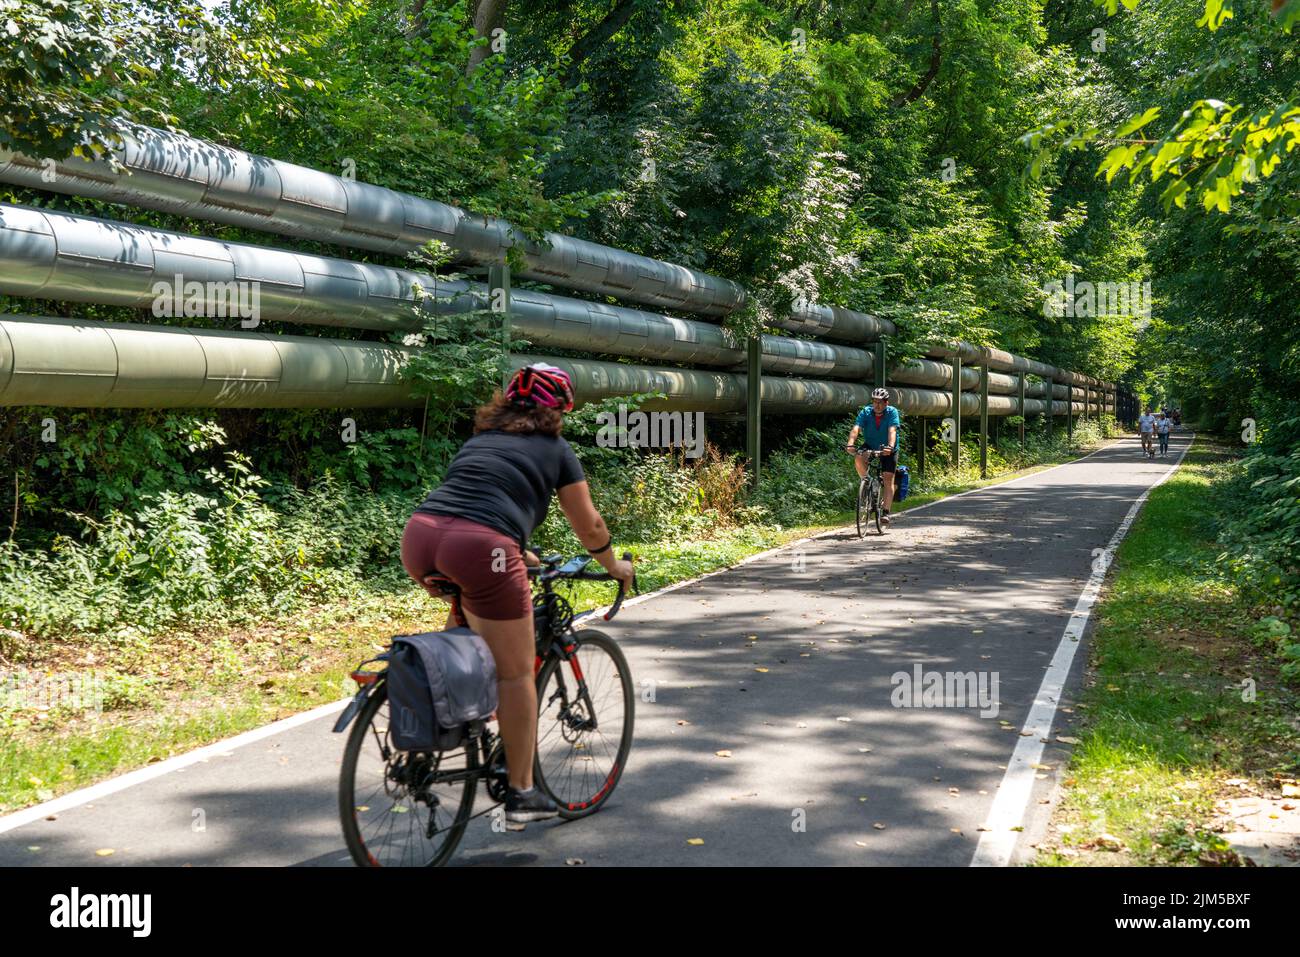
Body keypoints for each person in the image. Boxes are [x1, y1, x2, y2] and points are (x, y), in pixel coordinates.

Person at [401, 363, 635, 824]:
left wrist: (517, 554)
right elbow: (588, 525)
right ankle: (523, 793)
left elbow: (474, 504)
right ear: (560, 410)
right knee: (514, 674)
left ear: (507, 401)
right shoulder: (555, 449)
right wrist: (613, 565)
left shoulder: (480, 441)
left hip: (422, 538)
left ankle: (441, 728)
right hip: (481, 547)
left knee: (466, 638)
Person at [845, 387, 901, 524]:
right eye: (875, 402)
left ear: (886, 403)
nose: (877, 405)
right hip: (870, 445)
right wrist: (850, 443)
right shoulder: (866, 412)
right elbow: (856, 428)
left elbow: (892, 430)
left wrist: (890, 447)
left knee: (888, 479)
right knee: (858, 455)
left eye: (880, 402)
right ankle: (867, 481)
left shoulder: (892, 412)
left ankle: (886, 512)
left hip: (887, 448)